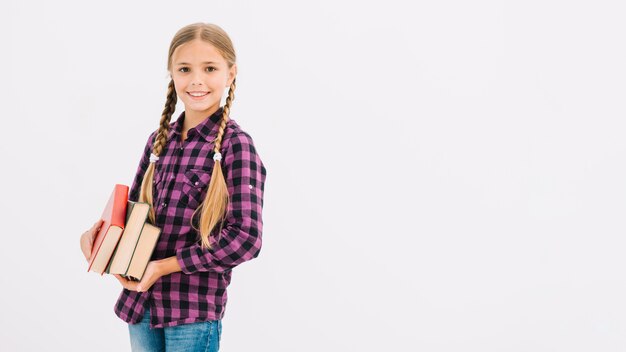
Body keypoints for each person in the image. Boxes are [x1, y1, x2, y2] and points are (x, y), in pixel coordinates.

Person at [79, 22, 267, 352]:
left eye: (209, 68)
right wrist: (100, 242)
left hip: (191, 313)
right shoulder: (158, 141)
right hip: (141, 306)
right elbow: (135, 217)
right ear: (172, 74)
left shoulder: (236, 147)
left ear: (231, 73)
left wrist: (164, 266)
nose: (196, 80)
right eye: (185, 69)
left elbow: (245, 239)